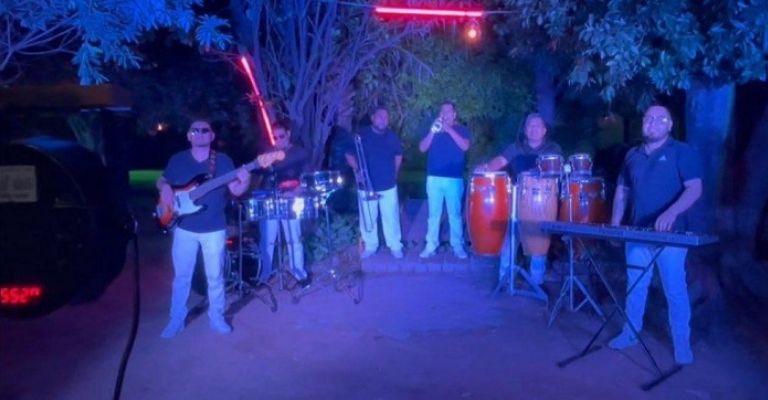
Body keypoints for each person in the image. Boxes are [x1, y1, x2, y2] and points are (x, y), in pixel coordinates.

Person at [607, 104, 702, 365]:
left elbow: (695, 188)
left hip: (671, 235)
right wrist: (615, 223)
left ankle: (682, 342)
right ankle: (630, 332)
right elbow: (623, 191)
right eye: (648, 118)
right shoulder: (632, 155)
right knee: (635, 284)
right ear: (643, 123)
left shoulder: (682, 152)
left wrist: (671, 213)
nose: (653, 122)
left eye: (661, 119)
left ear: (670, 125)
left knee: (674, 288)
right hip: (637, 232)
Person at [156, 117, 251, 338]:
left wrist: (245, 180)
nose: (200, 133)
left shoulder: (223, 161)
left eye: (204, 130)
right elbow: (161, 180)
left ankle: (216, 317)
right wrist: (164, 187)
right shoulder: (178, 160)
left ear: (212, 135)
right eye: (195, 130)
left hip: (214, 228)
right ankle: (176, 319)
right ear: (189, 135)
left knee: (215, 276)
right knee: (182, 276)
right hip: (184, 227)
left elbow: (236, 190)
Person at [475, 113, 562, 285]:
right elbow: (500, 161)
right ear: (525, 129)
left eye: (538, 126)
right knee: (510, 238)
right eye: (530, 125)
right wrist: (486, 167)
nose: (534, 129)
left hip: (542, 203)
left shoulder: (553, 149)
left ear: (544, 130)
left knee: (539, 241)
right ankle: (505, 279)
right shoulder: (516, 147)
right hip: (516, 200)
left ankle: (537, 282)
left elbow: (556, 170)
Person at [345, 106, 404, 259]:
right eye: (380, 116)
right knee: (368, 218)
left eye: (386, 117)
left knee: (391, 217)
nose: (383, 120)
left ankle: (395, 246)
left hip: (388, 184)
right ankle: (371, 246)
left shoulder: (392, 137)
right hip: (366, 185)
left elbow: (398, 155)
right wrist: (358, 171)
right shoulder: (361, 135)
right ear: (373, 118)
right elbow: (349, 155)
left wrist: (395, 173)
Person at [256, 120, 310, 285]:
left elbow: (307, 178)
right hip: (271, 199)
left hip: (291, 199)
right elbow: (260, 175)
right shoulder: (269, 154)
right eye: (275, 137)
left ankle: (299, 273)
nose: (278, 140)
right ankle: (265, 275)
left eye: (281, 136)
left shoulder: (299, 152)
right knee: (267, 239)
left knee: (294, 238)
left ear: (288, 134)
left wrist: (295, 193)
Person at [418, 101, 471, 259]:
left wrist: (448, 129)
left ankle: (457, 246)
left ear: (454, 114)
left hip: (453, 179)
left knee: (455, 214)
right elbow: (422, 148)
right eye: (443, 111)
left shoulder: (462, 130)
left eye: (448, 111)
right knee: (433, 215)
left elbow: (465, 146)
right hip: (433, 178)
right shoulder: (434, 129)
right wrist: (432, 132)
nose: (445, 114)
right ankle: (431, 245)